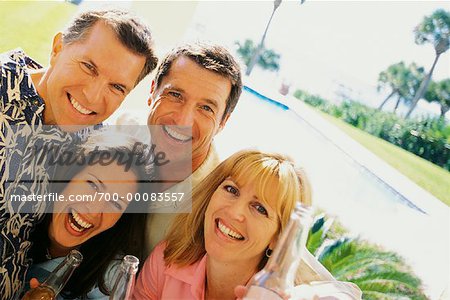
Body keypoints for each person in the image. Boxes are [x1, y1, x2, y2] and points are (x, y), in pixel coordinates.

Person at [142, 42, 336, 285]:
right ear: (152, 92)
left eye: (206, 108)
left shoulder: (222, 197)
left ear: (223, 122)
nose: (183, 119)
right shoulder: (119, 140)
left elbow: (315, 280)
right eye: (175, 95)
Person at [0, 8, 158, 298]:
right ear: (58, 48)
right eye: (89, 66)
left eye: (117, 86)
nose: (93, 97)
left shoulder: (90, 139)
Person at [134, 150, 362, 299]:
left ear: (279, 238)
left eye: (260, 208)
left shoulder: (276, 295)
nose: (235, 212)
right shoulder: (166, 261)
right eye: (231, 190)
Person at [25, 130, 151, 299]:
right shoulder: (17, 220)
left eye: (115, 203)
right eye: (93, 185)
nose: (94, 209)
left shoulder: (111, 278)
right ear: (70, 175)